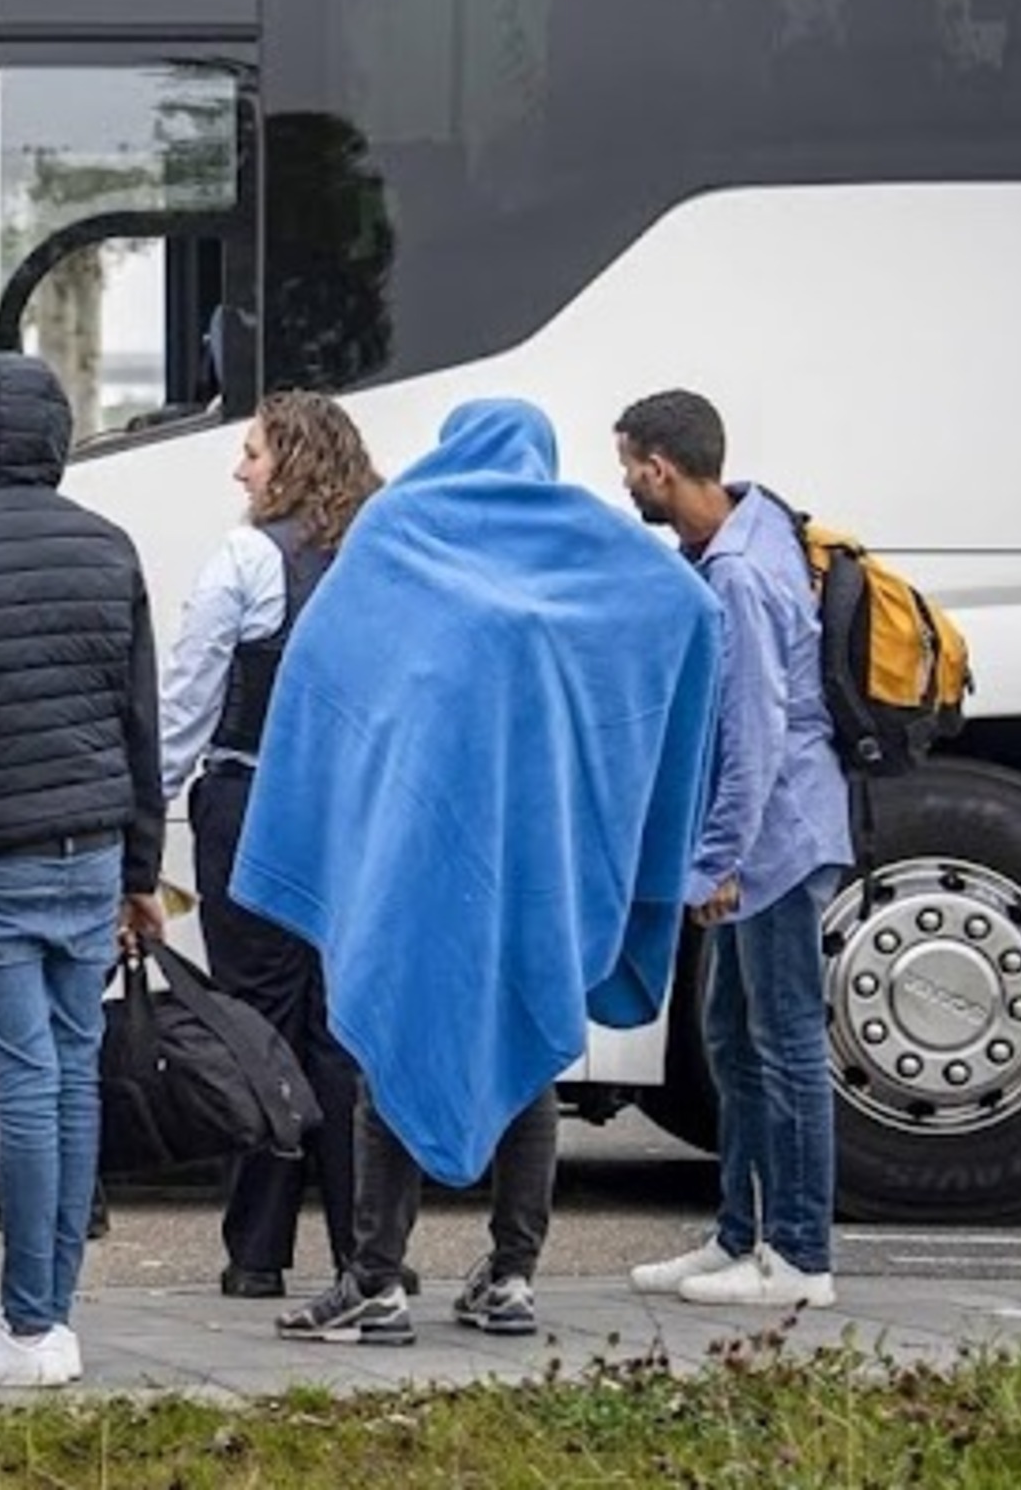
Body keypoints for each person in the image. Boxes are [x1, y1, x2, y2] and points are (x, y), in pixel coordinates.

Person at [237, 399, 718, 1348]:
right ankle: (510, 1277)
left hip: (410, 854)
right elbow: (687, 605)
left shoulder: (400, 534)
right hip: (536, 863)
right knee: (530, 1055)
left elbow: (322, 671)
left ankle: (374, 1282)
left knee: (385, 1035)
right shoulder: (579, 554)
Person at [0, 355, 163, 1390]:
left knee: (25, 1075)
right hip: (92, 848)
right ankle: (54, 1315)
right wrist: (143, 868)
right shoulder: (110, 549)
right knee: (71, 1067)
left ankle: (27, 1323)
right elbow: (138, 723)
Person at [618, 388, 850, 1311]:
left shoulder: (741, 576)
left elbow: (752, 735)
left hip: (778, 846)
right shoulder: (748, 535)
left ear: (660, 469)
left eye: (629, 467)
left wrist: (717, 861)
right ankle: (737, 1236)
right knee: (730, 1035)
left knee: (786, 1042)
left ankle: (799, 1255)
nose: (627, 483)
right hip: (771, 837)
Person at [159, 391, 379, 1300]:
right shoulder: (377, 553)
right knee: (342, 1027)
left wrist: (143, 815)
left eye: (251, 451)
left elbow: (189, 701)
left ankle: (256, 1253)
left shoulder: (248, 558)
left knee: (256, 1018)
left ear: (289, 460)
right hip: (353, 811)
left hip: (250, 804)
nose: (239, 467)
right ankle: (364, 1249)